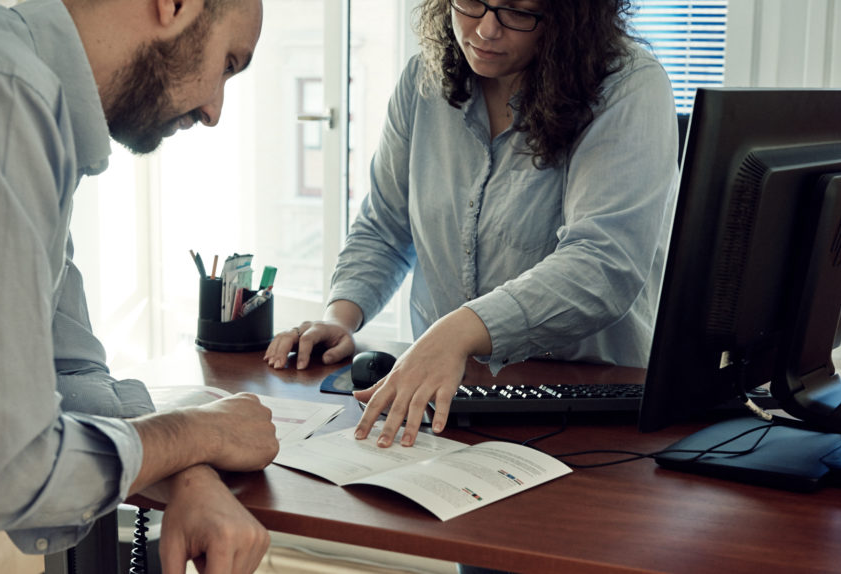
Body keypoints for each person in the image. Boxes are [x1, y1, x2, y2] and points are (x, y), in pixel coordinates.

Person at [264, 0, 679, 450]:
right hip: (448, 398)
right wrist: (341, 317)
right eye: (470, 3)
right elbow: (385, 226)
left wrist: (457, 331)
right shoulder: (423, 80)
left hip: (589, 409)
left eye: (518, 12)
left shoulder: (628, 87)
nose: (484, 31)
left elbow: (601, 265)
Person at [0, 0, 279, 572]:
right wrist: (199, 434)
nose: (215, 111)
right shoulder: (10, 97)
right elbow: (15, 472)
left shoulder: (44, 117)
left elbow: (71, 369)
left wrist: (188, 467)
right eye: (227, 63)